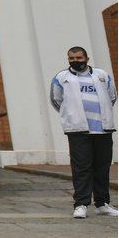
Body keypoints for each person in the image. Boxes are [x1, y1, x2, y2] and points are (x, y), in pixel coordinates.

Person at [50, 47, 118, 219]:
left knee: (102, 167)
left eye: (79, 57)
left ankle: (102, 204)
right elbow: (56, 100)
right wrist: (71, 115)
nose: (75, 60)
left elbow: (112, 96)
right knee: (82, 168)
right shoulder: (62, 77)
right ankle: (81, 204)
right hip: (78, 130)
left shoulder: (101, 75)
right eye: (71, 58)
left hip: (102, 129)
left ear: (87, 58)